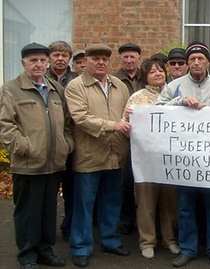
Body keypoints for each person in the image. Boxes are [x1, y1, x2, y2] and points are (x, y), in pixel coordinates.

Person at [156, 41, 210, 268]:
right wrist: (180, 102)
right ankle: (188, 248)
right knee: (185, 206)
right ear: (187, 63)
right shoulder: (174, 86)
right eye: (192, 59)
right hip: (184, 159)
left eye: (201, 59)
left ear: (208, 62)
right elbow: (157, 110)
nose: (196, 62)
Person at [0, 42, 73, 269]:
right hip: (28, 163)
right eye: (33, 60)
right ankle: (27, 255)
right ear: (24, 63)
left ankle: (45, 251)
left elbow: (68, 123)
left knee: (48, 211)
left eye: (42, 60)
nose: (39, 64)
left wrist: (66, 145)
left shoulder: (55, 89)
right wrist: (26, 147)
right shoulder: (11, 90)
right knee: (28, 213)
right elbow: (5, 125)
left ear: (48, 62)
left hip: (53, 163)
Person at [65, 44, 132, 267]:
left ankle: (110, 240)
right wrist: (114, 125)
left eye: (104, 58)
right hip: (89, 155)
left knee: (112, 201)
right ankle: (81, 247)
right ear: (86, 61)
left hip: (116, 154)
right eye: (95, 58)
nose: (101, 62)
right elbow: (80, 118)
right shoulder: (75, 86)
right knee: (84, 204)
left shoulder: (119, 86)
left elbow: (127, 113)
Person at [122, 57, 180, 259]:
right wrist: (129, 119)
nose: (158, 74)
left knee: (169, 202)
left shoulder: (176, 94)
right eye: (152, 71)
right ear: (145, 76)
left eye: (161, 70)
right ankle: (147, 241)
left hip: (170, 159)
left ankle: (170, 239)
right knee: (146, 202)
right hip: (146, 161)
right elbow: (126, 131)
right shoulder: (137, 98)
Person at [45, 40, 80, 240]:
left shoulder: (77, 79)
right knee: (49, 193)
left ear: (69, 58)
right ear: (50, 58)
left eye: (64, 55)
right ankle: (47, 232)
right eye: (56, 55)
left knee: (71, 191)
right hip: (48, 145)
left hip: (71, 144)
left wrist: (69, 143)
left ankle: (69, 227)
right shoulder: (41, 78)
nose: (60, 58)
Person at [113, 43, 143, 235]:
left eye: (133, 57)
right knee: (125, 181)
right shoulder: (114, 80)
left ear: (139, 58)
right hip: (123, 137)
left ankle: (147, 219)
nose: (129, 60)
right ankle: (126, 219)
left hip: (145, 139)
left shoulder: (146, 76)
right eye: (125, 57)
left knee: (145, 181)